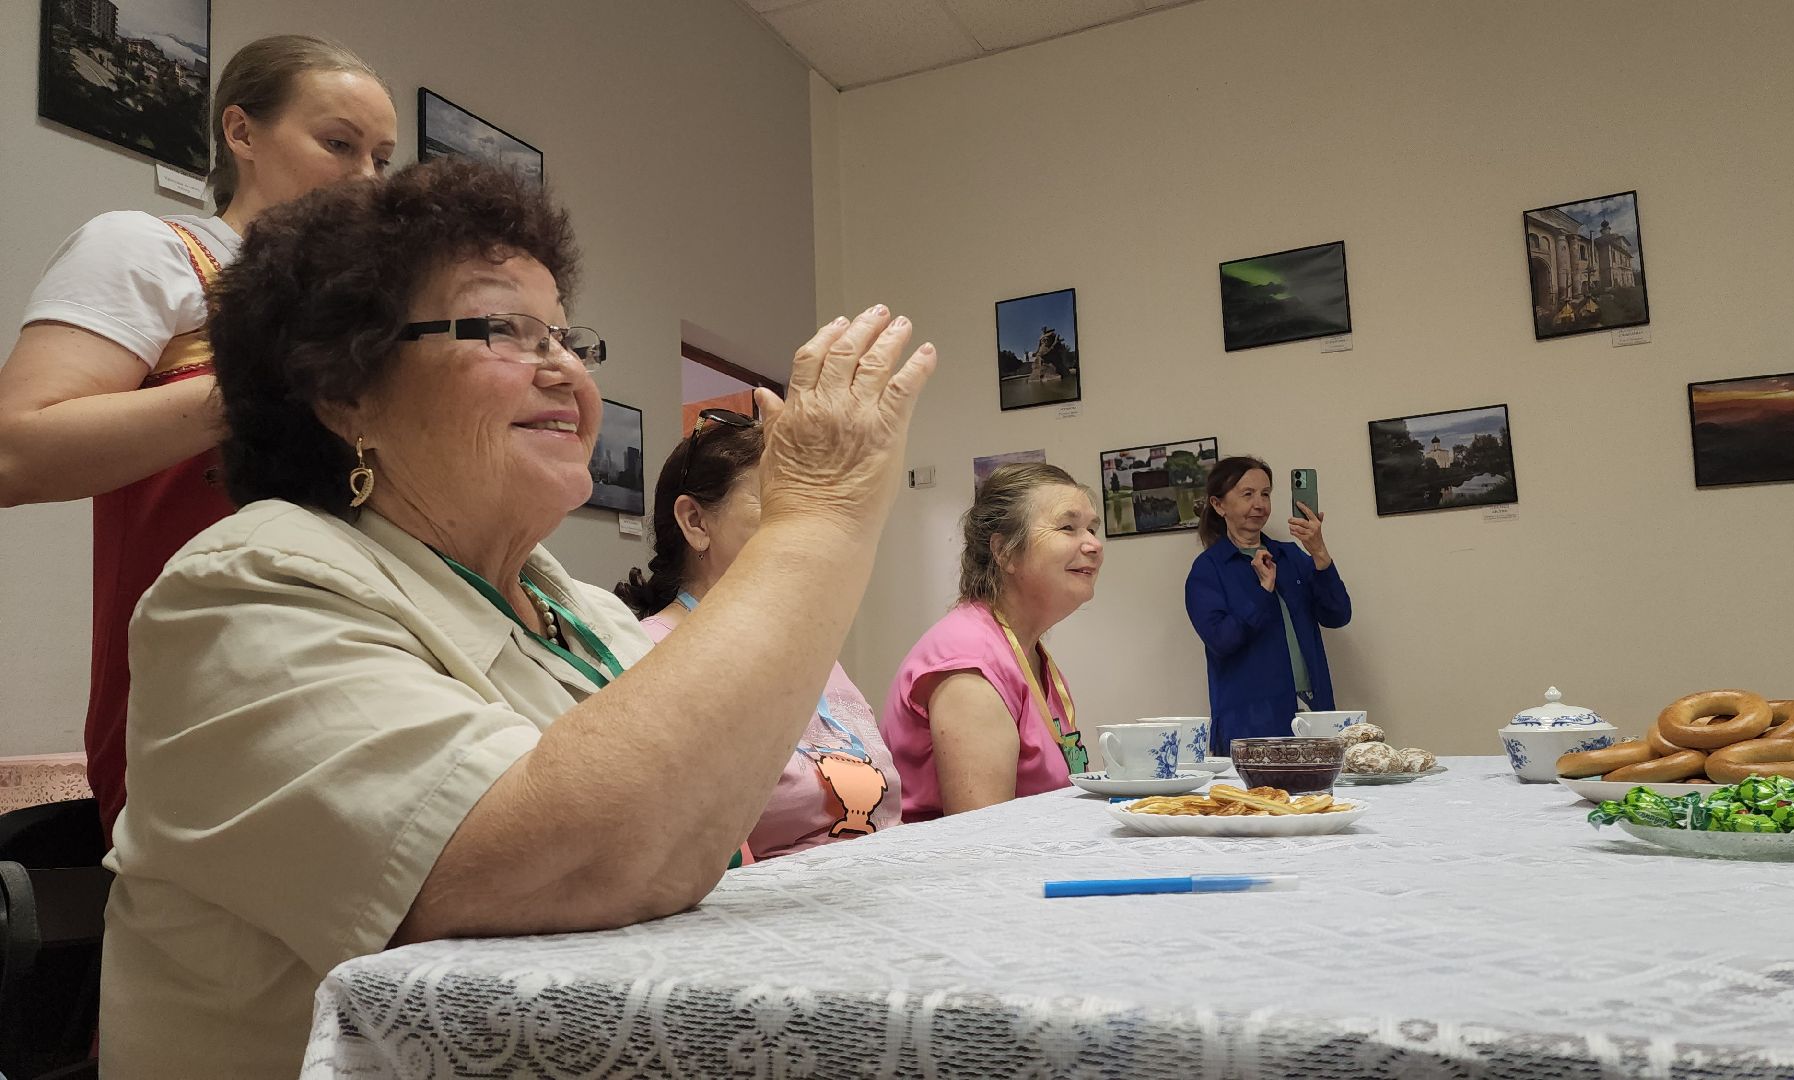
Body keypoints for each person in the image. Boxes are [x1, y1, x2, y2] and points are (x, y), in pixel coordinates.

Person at [98, 158, 937, 1075]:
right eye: (506, 330)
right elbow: (582, 858)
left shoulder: (574, 606)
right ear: (347, 392)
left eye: (567, 338)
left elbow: (707, 817)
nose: (567, 373)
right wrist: (817, 514)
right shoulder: (246, 585)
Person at [0, 34, 397, 838]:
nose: (365, 179)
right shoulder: (155, 252)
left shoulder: (373, 322)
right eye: (338, 144)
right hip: (198, 723)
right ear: (241, 133)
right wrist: (265, 382)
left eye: (382, 159)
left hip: (365, 705)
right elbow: (16, 451)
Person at [616, 413, 901, 857]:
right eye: (781, 506)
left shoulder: (808, 647)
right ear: (696, 522)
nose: (808, 532)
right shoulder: (648, 656)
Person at [881, 463, 1102, 820]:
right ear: (1004, 552)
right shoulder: (968, 658)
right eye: (1068, 527)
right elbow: (983, 839)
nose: (1094, 544)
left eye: (1091, 528)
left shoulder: (1021, 648)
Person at [1185, 455, 1351, 752]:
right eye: (1247, 494)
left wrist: (1320, 554)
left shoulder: (1290, 556)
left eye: (1265, 494)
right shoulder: (1208, 570)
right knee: (1257, 800)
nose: (1259, 504)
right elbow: (1222, 641)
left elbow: (1338, 614)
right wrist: (1263, 591)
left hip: (1312, 710)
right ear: (1219, 505)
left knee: (1321, 798)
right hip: (1250, 723)